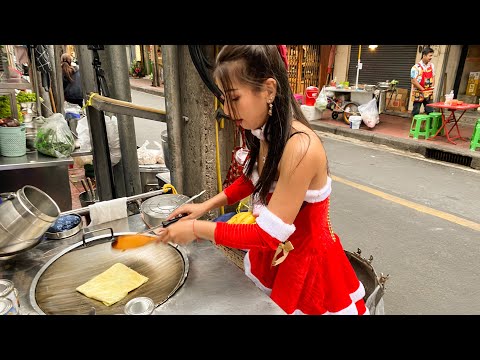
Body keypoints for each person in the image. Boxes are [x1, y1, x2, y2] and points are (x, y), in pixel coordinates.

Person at [155, 45, 368, 315]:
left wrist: (197, 229)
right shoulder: (265, 131)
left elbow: (266, 235)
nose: (227, 110)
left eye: (234, 98)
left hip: (309, 263)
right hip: (283, 253)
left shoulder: (299, 148)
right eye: (223, 98)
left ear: (268, 90)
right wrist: (204, 207)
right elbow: (252, 179)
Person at [410, 46, 435, 117]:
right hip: (418, 92)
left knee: (430, 110)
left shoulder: (432, 66)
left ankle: (429, 126)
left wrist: (432, 87)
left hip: (428, 92)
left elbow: (433, 76)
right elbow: (413, 81)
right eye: (430, 55)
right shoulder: (415, 67)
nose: (431, 57)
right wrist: (423, 90)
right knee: (416, 110)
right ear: (424, 55)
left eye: (432, 55)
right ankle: (414, 125)